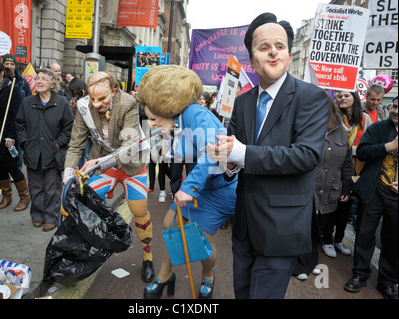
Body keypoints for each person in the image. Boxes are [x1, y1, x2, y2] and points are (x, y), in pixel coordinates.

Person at [206, 12, 329, 299]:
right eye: (264, 47)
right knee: (243, 293)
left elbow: (306, 155)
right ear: (252, 59)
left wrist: (242, 152)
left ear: (288, 54)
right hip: (245, 225)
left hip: (282, 228)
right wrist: (226, 158)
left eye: (280, 45)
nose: (273, 51)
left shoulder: (311, 97)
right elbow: (234, 161)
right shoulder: (242, 102)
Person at [137, 65, 237, 299]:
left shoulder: (196, 114)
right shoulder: (177, 120)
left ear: (166, 106)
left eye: (153, 118)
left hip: (220, 190)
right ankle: (165, 276)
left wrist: (188, 187)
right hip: (198, 187)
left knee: (198, 241)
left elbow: (215, 154)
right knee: (170, 224)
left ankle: (208, 276)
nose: (151, 124)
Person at [62, 71, 155, 282]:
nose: (96, 104)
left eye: (102, 99)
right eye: (92, 98)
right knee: (78, 204)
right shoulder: (84, 106)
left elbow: (129, 146)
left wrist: (98, 163)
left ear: (114, 91)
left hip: (132, 165)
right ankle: (80, 253)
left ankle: (148, 257)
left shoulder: (129, 103)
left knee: (139, 211)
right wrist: (67, 178)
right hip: (104, 165)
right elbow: (76, 144)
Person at [294, 94, 354, 280]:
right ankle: (297, 266)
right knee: (300, 229)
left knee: (316, 230)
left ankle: (310, 263)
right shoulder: (305, 127)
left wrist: (346, 187)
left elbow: (346, 162)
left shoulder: (340, 131)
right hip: (306, 189)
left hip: (329, 190)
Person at [344, 95, 398, 299]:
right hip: (374, 190)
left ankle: (387, 282)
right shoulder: (378, 128)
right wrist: (388, 147)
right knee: (365, 234)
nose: (395, 111)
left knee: (393, 239)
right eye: (394, 106)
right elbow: (363, 152)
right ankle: (359, 275)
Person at [16, 68, 74, 232]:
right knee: (35, 187)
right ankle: (37, 216)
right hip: (33, 152)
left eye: (43, 78)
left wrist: (58, 143)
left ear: (52, 83)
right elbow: (20, 125)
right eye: (38, 78)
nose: (39, 81)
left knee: (52, 188)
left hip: (53, 154)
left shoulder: (61, 103)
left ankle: (50, 217)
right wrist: (25, 142)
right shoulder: (27, 102)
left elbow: (69, 127)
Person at [0, 59, 30, 211]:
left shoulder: (11, 89)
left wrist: (11, 136)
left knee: (12, 167)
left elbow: (17, 115)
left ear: (1, 73)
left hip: (5, 135)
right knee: (0, 167)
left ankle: (24, 197)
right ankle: (6, 195)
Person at [335, 90, 373, 233]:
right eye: (340, 96)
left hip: (357, 168)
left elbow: (369, 145)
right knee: (334, 205)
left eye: (346, 95)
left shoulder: (365, 118)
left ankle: (338, 238)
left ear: (355, 98)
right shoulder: (335, 117)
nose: (342, 98)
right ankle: (326, 238)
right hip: (337, 166)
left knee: (348, 206)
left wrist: (352, 150)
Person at [67, 77, 91, 168]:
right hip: (79, 129)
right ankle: (80, 175)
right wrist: (73, 107)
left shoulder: (90, 96)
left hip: (89, 131)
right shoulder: (75, 99)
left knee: (88, 155)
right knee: (79, 155)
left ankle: (91, 175)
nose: (75, 93)